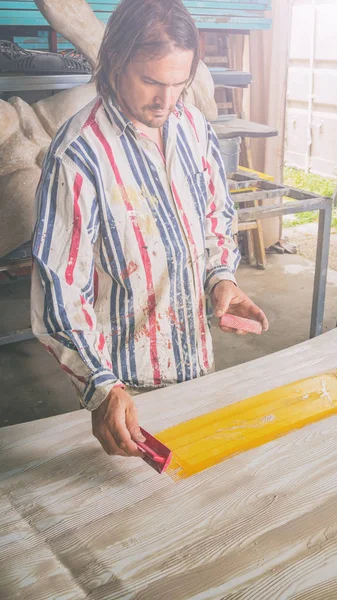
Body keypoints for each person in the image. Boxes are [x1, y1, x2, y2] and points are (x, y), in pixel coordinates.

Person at [31, 0, 268, 459]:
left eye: (179, 84)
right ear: (116, 62)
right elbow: (59, 289)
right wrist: (101, 387)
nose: (166, 101)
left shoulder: (194, 127)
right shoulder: (79, 154)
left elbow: (216, 216)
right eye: (152, 82)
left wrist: (222, 278)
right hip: (126, 391)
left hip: (197, 364)